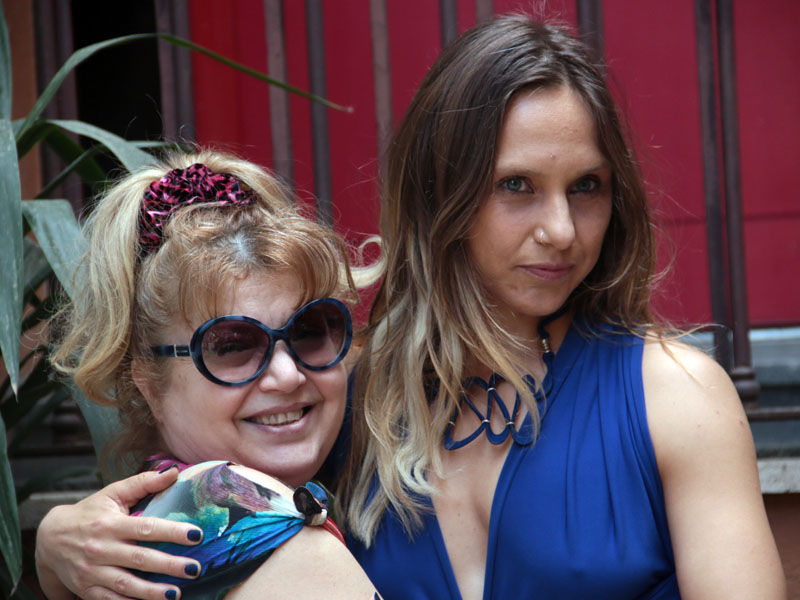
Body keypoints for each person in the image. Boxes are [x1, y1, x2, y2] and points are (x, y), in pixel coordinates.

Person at [36, 16, 785, 600]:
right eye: (516, 186)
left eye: (586, 186)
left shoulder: (674, 397)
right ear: (440, 193)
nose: (560, 229)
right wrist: (57, 544)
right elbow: (198, 507)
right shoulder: (335, 398)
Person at [37, 151, 379, 600]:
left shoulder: (139, 528)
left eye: (311, 329)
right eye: (232, 345)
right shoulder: (258, 527)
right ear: (149, 385)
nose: (287, 374)